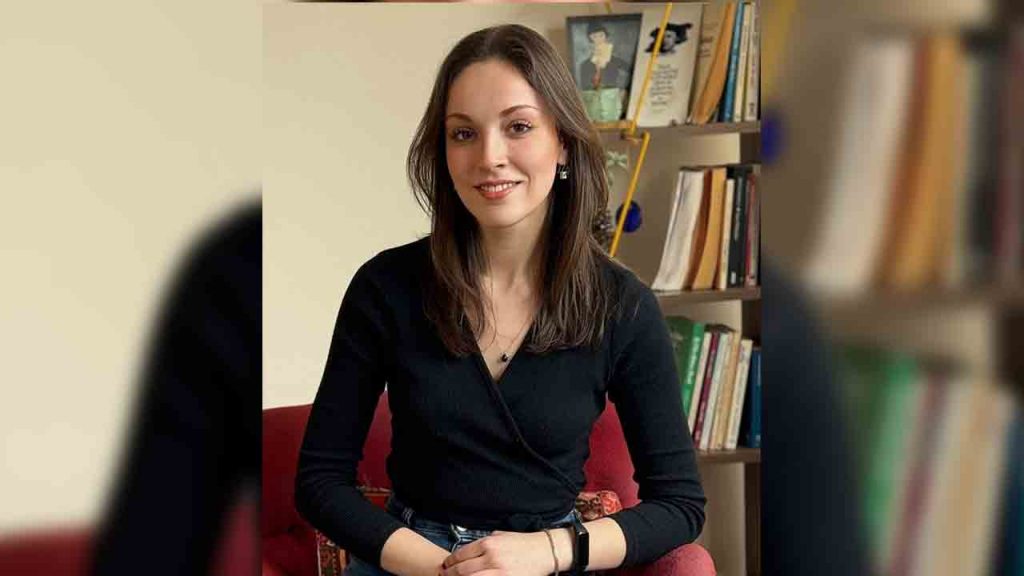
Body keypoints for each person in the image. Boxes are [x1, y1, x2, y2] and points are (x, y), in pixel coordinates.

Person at [294, 24, 705, 576]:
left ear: (562, 141)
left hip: (546, 559)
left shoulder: (622, 305)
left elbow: (680, 505)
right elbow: (319, 482)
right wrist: (445, 569)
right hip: (412, 561)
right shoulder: (384, 287)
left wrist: (550, 550)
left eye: (518, 127)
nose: (489, 157)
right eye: (463, 133)